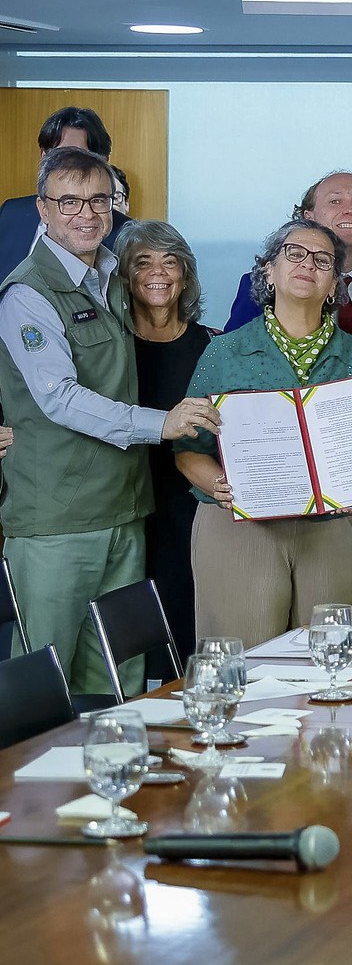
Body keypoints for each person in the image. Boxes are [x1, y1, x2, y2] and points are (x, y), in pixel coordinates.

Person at [0, 148, 215, 696]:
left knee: (119, 683)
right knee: (45, 681)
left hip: (124, 510)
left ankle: (112, 782)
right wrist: (161, 423)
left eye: (97, 199)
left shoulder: (107, 279)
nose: (86, 213)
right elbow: (59, 398)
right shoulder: (28, 293)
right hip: (57, 521)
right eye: (68, 201)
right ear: (42, 209)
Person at [176, 219, 352, 645]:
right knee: (242, 662)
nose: (308, 264)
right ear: (269, 271)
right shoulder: (224, 352)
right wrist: (220, 484)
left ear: (335, 285)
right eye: (295, 253)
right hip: (240, 526)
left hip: (331, 527)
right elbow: (187, 448)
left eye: (322, 260)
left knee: (331, 662)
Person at [117, 220, 213, 667]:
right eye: (143, 262)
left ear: (186, 274)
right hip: (126, 502)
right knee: (133, 638)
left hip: (193, 504)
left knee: (191, 625)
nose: (158, 272)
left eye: (170, 261)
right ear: (123, 275)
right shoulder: (109, 348)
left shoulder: (213, 346)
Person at [225, 171, 352, 337]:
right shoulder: (267, 283)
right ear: (308, 218)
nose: (350, 210)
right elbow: (232, 357)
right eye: (335, 201)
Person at [0, 106, 125, 274]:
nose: (67, 167)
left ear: (104, 162)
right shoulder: (11, 213)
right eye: (59, 156)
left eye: (79, 157)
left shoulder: (127, 235)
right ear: (43, 157)